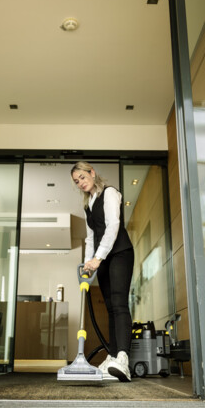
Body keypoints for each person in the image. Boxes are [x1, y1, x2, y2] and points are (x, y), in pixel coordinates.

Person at [71, 161, 135, 382]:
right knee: (109, 307)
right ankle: (113, 355)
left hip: (119, 253)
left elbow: (113, 225)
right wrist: (88, 264)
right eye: (76, 181)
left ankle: (123, 358)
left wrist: (98, 257)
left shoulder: (109, 193)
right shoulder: (88, 205)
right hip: (102, 258)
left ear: (92, 173)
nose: (80, 183)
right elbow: (90, 238)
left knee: (119, 303)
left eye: (82, 177)